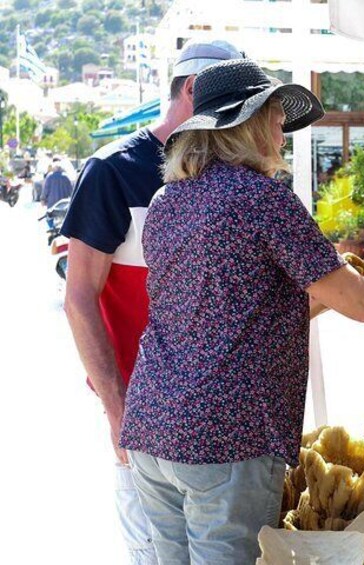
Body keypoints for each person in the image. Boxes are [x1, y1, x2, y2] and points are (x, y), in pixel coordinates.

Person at [119, 58, 364, 564]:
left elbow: (222, 313)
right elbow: (363, 302)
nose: (281, 132)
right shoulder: (262, 199)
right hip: (227, 434)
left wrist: (316, 300)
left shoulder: (166, 201)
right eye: (274, 117)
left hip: (152, 424)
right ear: (248, 124)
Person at [60, 39, 245, 564]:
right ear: (191, 90)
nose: (237, 119)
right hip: (145, 425)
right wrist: (117, 409)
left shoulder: (227, 172)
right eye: (228, 103)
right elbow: (79, 298)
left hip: (218, 424)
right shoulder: (113, 171)